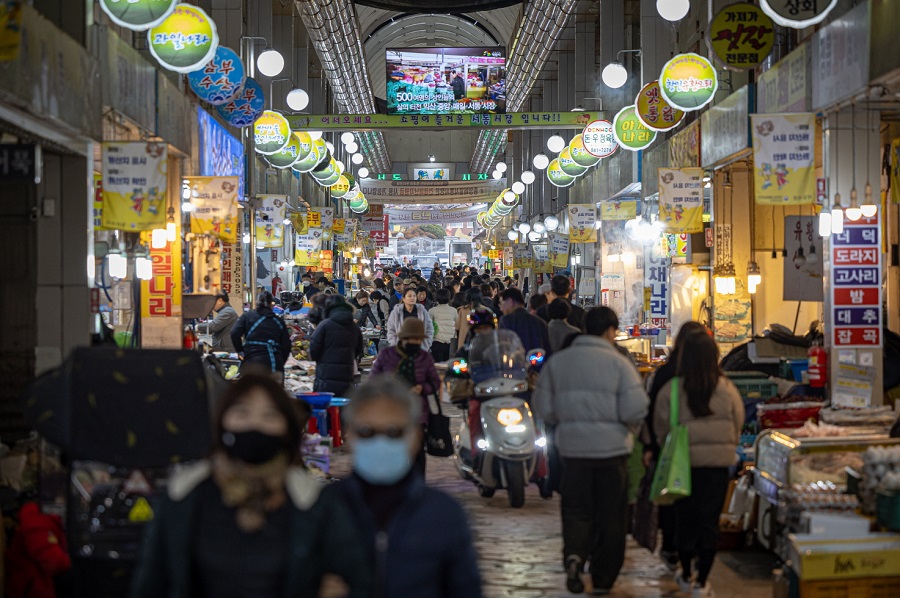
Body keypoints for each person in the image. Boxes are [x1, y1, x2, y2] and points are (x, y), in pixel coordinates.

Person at [131, 374, 370, 597]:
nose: (255, 425)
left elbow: (357, 578)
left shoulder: (313, 501)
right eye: (242, 413)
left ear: (287, 431)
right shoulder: (184, 494)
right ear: (222, 421)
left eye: (270, 416)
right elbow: (152, 582)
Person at [323, 376, 482, 597]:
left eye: (393, 433)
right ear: (349, 437)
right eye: (367, 432)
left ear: (415, 438)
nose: (380, 443)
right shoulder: (323, 508)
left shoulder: (444, 514)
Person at [533, 306, 649, 595]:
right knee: (611, 515)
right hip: (612, 454)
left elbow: (543, 408)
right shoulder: (620, 363)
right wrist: (627, 431)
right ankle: (603, 577)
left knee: (576, 509)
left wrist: (566, 422)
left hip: (573, 452)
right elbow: (636, 408)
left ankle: (574, 556)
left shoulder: (559, 362)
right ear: (610, 331)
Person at [654, 332, 744, 598]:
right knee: (709, 523)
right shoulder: (726, 388)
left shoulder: (672, 389)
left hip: (683, 466)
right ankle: (702, 580)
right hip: (717, 466)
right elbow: (738, 420)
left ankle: (684, 572)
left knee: (685, 520)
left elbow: (661, 427)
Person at [642, 321, 711, 570]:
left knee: (673, 502)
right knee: (703, 509)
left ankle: (673, 548)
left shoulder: (666, 373)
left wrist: (653, 444)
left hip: (671, 449)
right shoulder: (717, 378)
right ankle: (696, 559)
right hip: (709, 456)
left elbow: (654, 412)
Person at [370, 318, 442, 478]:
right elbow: (373, 380)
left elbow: (435, 382)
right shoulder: (387, 355)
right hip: (391, 411)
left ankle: (418, 486)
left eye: (417, 339)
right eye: (410, 338)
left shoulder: (424, 357)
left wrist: (422, 388)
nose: (414, 342)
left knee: (417, 452)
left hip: (418, 413)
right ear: (402, 338)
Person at [309, 295, 364, 397]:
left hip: (325, 377)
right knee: (342, 408)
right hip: (347, 377)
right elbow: (358, 351)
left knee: (328, 408)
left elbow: (313, 350)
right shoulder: (354, 327)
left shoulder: (324, 325)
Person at [231, 291, 292, 376]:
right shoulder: (278, 321)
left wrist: (241, 351)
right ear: (271, 305)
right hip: (274, 362)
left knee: (252, 388)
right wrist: (280, 361)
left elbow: (234, 334)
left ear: (256, 303)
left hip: (251, 361)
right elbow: (287, 345)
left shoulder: (247, 317)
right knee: (272, 389)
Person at [498, 287, 550, 354]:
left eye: (501, 303)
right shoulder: (540, 322)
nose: (501, 309)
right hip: (538, 362)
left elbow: (504, 346)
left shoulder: (506, 320)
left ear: (510, 302)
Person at [428, 288, 457, 362]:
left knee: (438, 365)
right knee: (448, 364)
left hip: (437, 342)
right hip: (450, 342)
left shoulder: (432, 311)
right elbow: (457, 325)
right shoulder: (454, 310)